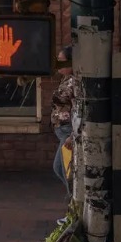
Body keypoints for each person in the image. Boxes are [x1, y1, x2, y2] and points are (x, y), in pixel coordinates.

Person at [49, 45, 79, 190]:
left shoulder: (74, 82)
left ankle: (73, 205)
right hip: (61, 130)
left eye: (62, 60)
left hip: (68, 131)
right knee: (61, 168)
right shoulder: (65, 80)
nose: (58, 64)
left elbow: (80, 110)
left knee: (65, 170)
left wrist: (73, 136)